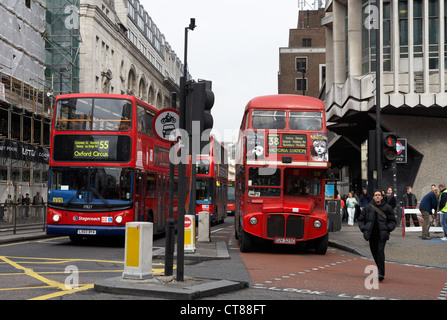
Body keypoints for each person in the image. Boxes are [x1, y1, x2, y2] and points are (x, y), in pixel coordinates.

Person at [358, 190, 397, 282]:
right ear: (373, 197)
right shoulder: (367, 208)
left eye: (379, 195)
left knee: (380, 251)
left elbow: (393, 221)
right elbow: (361, 220)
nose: (377, 197)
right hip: (371, 235)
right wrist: (364, 229)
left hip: (382, 235)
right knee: (374, 253)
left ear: (382, 197)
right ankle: (379, 269)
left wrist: (387, 229)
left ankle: (381, 273)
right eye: (376, 195)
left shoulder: (387, 208)